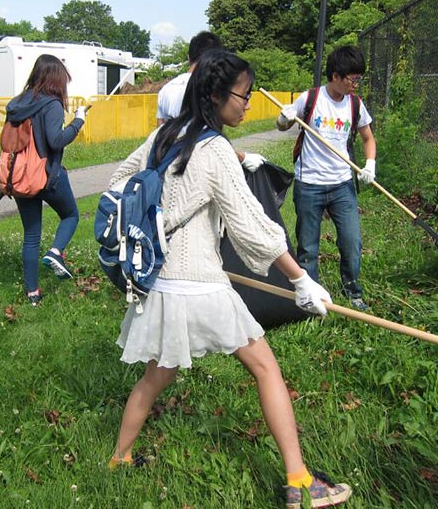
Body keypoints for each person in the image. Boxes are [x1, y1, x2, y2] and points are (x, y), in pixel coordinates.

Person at [107, 48, 352, 508]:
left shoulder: (166, 135)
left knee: (157, 375)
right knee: (266, 368)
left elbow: (119, 181)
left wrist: (155, 218)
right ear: (217, 95)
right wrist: (301, 279)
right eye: (242, 95)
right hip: (201, 286)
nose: (247, 104)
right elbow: (253, 228)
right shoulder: (215, 149)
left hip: (160, 285)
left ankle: (119, 459)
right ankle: (299, 481)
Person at [277, 45, 377, 311]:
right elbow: (282, 125)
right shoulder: (309, 99)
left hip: (342, 184)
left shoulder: (355, 104)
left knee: (351, 241)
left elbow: (368, 137)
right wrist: (284, 118)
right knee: (308, 246)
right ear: (335, 76)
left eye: (358, 79)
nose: (356, 84)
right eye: (352, 79)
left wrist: (370, 163)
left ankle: (353, 291)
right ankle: (311, 297)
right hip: (309, 183)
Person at [5, 54, 86, 305]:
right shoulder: (51, 104)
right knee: (71, 216)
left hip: (19, 177)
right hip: (48, 175)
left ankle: (32, 294)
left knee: (31, 235)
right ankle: (55, 252)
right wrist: (79, 120)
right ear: (56, 79)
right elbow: (56, 140)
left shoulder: (16, 104)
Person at [157, 30, 265, 172]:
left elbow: (160, 131)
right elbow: (205, 145)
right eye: (245, 97)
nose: (247, 105)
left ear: (189, 57)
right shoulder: (207, 89)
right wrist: (241, 157)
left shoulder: (166, 89)